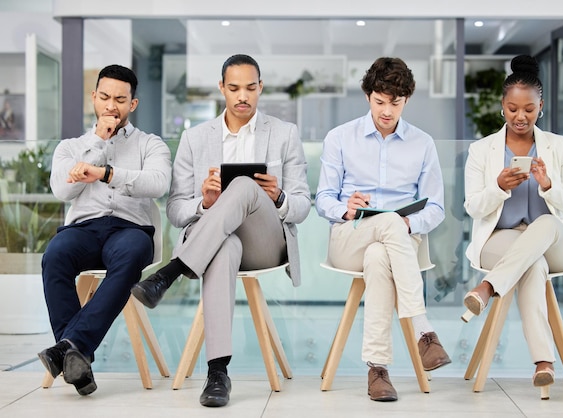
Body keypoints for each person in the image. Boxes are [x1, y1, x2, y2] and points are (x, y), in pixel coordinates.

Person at [131, 54, 310, 407]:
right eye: (234, 88)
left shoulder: (285, 134)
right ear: (221, 89)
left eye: (250, 88)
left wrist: (278, 196)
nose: (242, 96)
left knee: (243, 186)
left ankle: (171, 271)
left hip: (265, 240)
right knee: (224, 246)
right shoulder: (196, 138)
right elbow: (176, 210)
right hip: (216, 242)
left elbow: (303, 206)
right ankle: (217, 373)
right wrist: (206, 204)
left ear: (261, 88)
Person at [315, 57, 451, 402]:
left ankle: (378, 371)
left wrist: (408, 222)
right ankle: (424, 330)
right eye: (380, 102)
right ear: (367, 97)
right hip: (350, 237)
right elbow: (323, 200)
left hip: (401, 241)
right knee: (386, 225)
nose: (387, 111)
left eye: (396, 103)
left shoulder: (422, 143)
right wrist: (345, 209)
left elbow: (435, 207)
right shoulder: (340, 138)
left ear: (407, 100)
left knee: (380, 254)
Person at [37, 64, 172, 396]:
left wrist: (107, 173)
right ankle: (77, 357)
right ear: (93, 97)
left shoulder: (150, 144)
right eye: (106, 97)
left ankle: (68, 349)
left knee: (132, 254)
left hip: (130, 229)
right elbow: (62, 191)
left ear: (133, 104)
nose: (112, 106)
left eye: (121, 99)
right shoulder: (70, 148)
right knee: (54, 255)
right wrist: (98, 141)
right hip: (83, 229)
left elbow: (159, 183)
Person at [463, 54, 563, 390]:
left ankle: (487, 288)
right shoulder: (481, 150)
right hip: (501, 240)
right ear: (503, 106)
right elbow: (473, 207)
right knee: (532, 265)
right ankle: (543, 363)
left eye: (529, 109)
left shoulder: (560, 147)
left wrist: (548, 185)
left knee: (543, 226)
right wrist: (499, 187)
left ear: (540, 106)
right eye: (513, 109)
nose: (521, 116)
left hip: (554, 242)